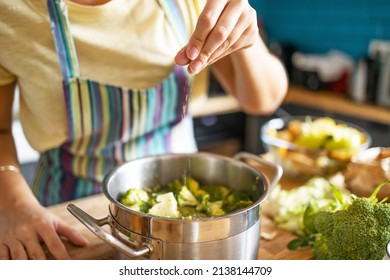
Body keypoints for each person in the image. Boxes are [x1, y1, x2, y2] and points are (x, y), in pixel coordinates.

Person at [0, 0, 288, 260]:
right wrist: (16, 206)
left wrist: (247, 41)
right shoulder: (10, 13)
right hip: (68, 213)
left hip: (189, 206)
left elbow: (263, 100)